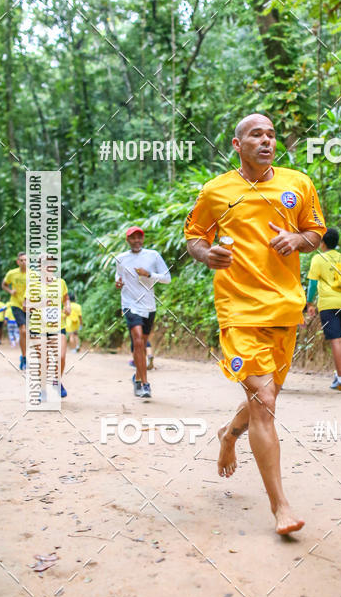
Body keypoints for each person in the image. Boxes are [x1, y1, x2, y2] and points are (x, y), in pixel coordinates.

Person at [184, 113, 326, 535]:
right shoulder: (216, 191)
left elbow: (316, 230)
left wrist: (298, 240)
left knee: (266, 398)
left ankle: (229, 434)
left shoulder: (297, 183)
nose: (266, 141)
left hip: (285, 309)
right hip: (239, 310)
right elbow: (194, 236)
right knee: (265, 403)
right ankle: (281, 507)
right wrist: (206, 254)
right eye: (255, 135)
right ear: (236, 144)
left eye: (271, 135)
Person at [114, 226, 171, 399]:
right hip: (130, 305)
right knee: (138, 340)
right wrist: (118, 282)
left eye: (139, 238)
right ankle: (145, 385)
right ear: (128, 240)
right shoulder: (121, 258)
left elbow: (167, 279)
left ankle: (137, 378)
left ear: (143, 239)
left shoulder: (153, 255)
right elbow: (118, 275)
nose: (136, 241)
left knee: (143, 342)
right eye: (133, 238)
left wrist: (149, 274)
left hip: (149, 305)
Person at [306, 227, 341, 390]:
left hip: (328, 305)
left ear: (322, 243)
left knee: (336, 339)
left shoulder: (318, 259)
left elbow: (312, 284)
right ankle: (337, 376)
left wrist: (309, 303)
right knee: (338, 338)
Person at [26, 263, 71, 399]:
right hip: (38, 326)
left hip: (57, 325)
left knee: (60, 357)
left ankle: (56, 382)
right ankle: (43, 390)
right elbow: (25, 306)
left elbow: (66, 298)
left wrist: (68, 306)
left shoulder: (60, 282)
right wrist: (40, 304)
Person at [2, 253, 28, 369]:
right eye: (21, 260)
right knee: (23, 331)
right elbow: (4, 284)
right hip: (16, 304)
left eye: (26, 260)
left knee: (31, 333)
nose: (24, 262)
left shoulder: (33, 275)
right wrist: (10, 291)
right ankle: (24, 357)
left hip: (30, 306)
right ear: (18, 262)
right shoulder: (12, 273)